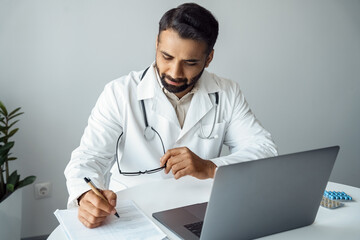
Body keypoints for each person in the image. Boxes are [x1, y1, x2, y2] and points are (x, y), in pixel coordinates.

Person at [65, 3, 278, 228]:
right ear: (156, 45)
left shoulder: (226, 93)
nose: (175, 73)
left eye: (190, 62)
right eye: (166, 57)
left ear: (208, 59)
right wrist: (84, 196)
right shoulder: (119, 93)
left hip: (200, 213)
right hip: (132, 214)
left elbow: (265, 151)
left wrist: (208, 167)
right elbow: (88, 158)